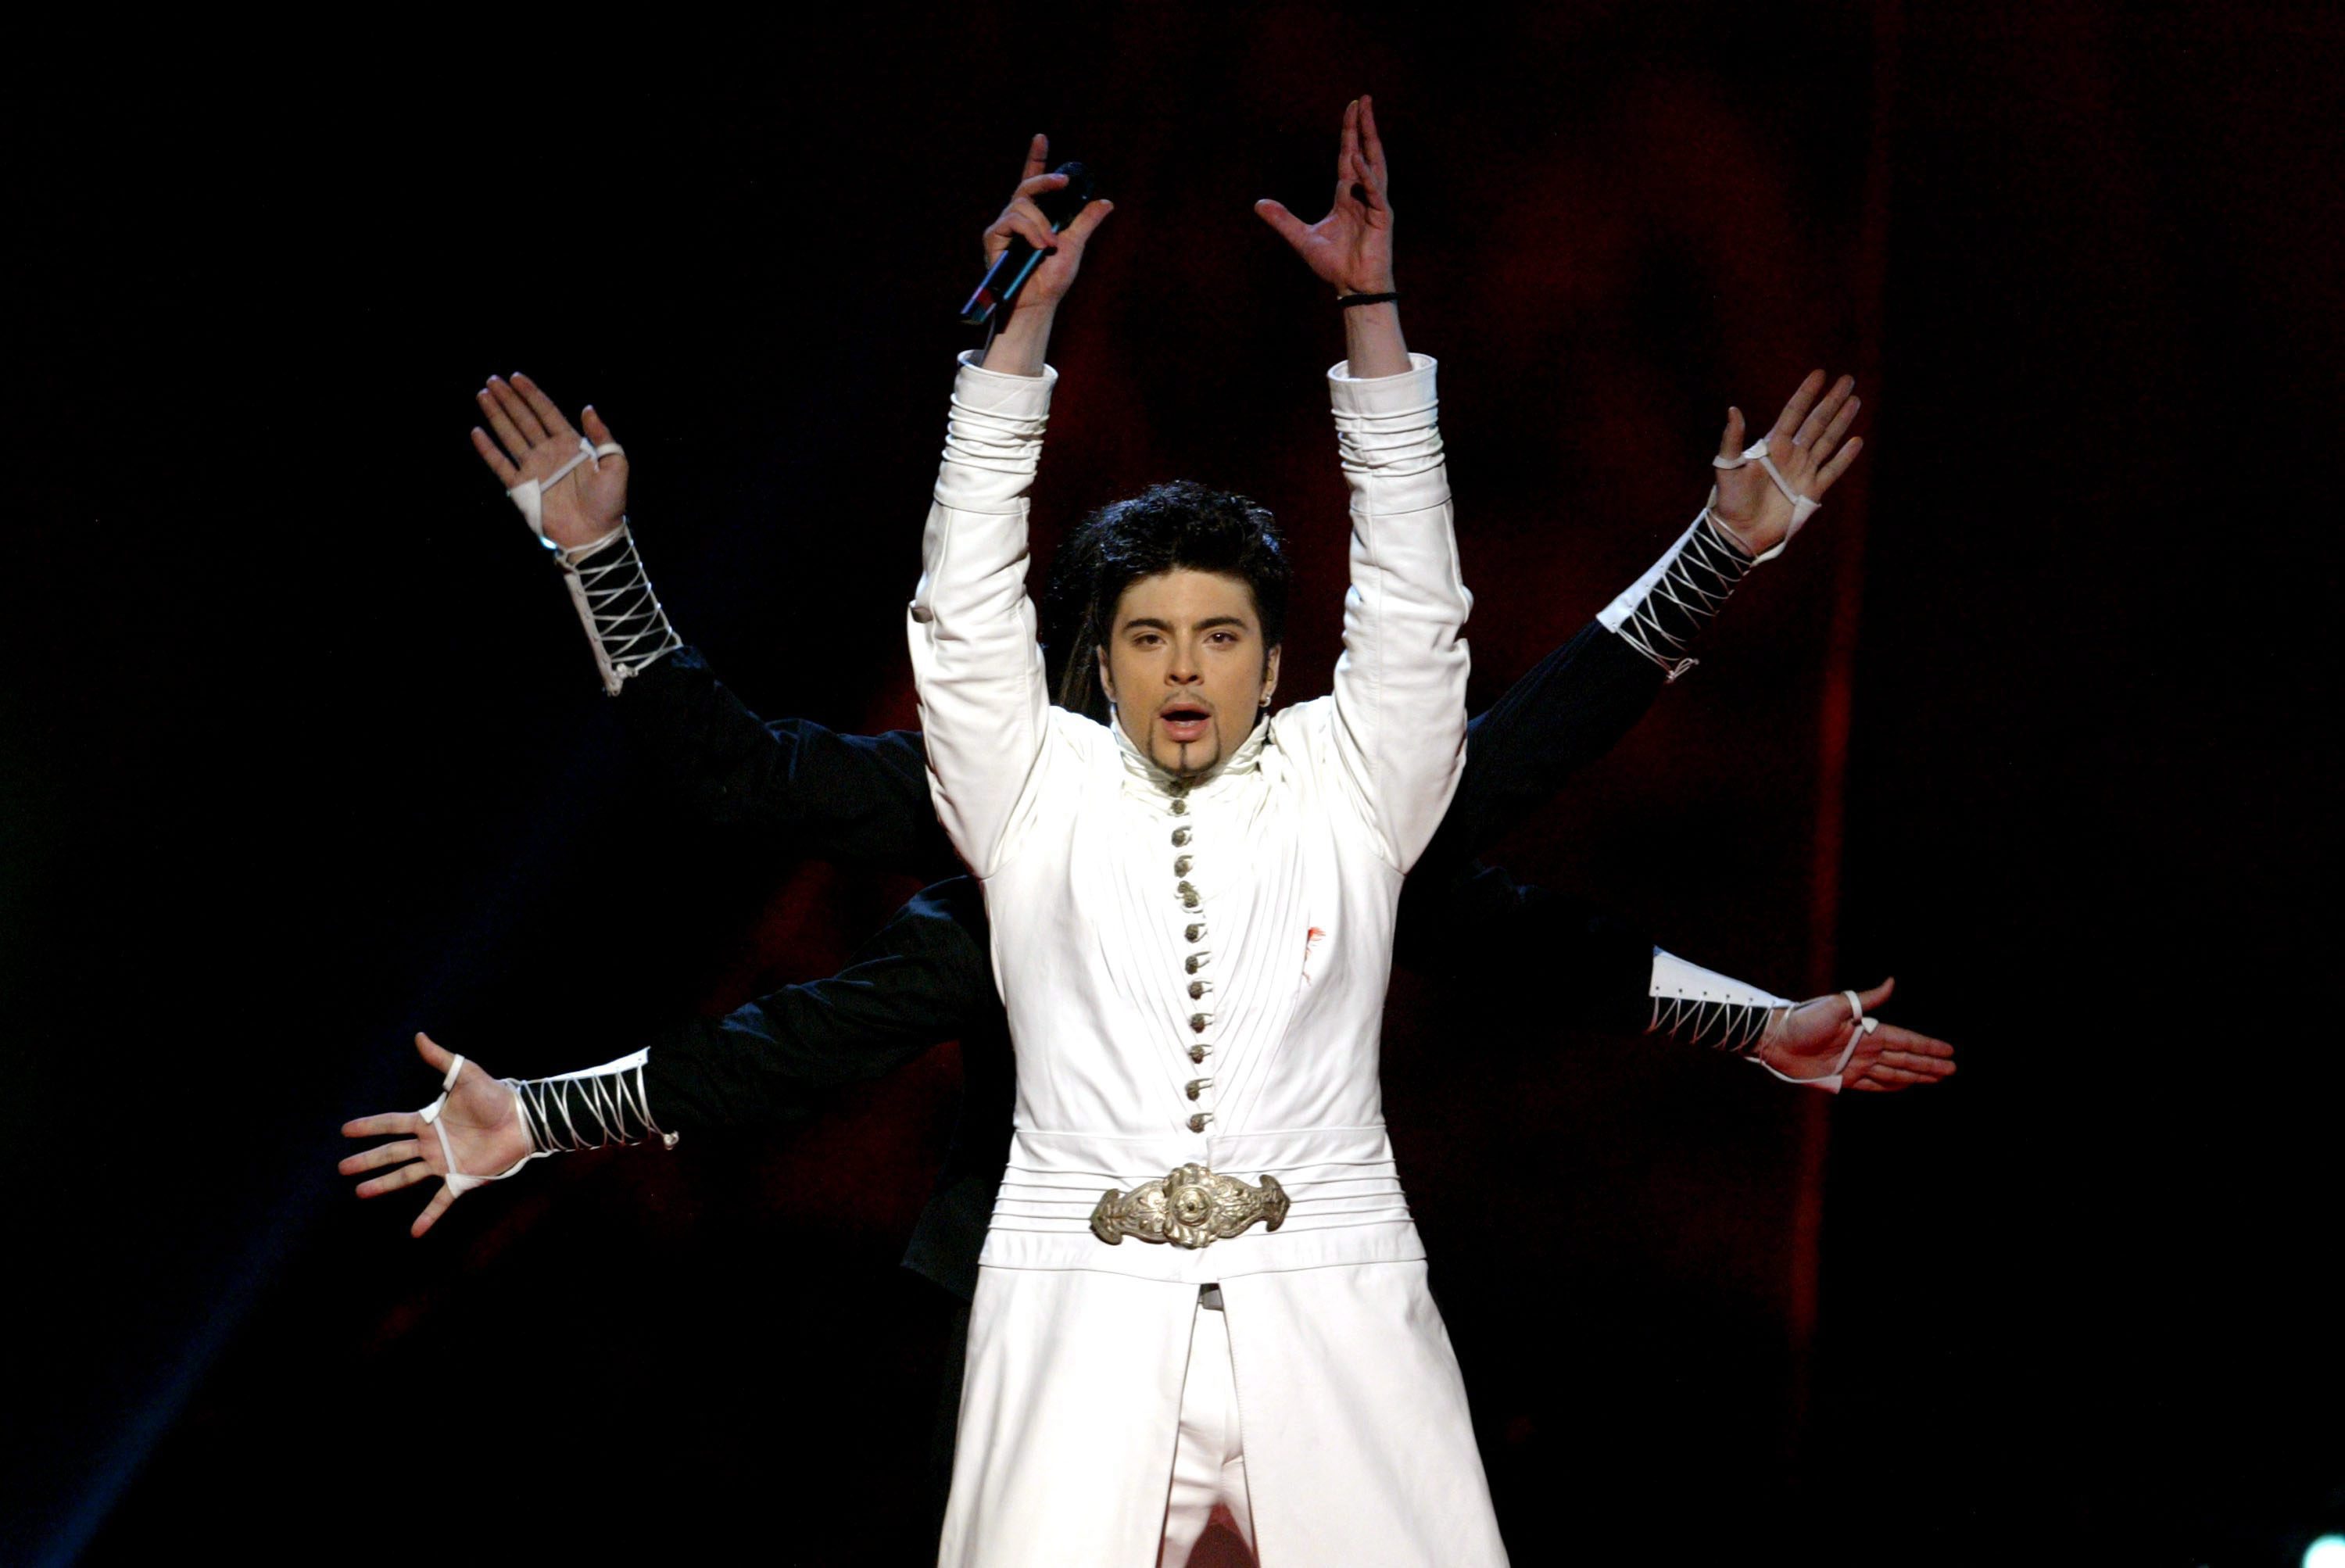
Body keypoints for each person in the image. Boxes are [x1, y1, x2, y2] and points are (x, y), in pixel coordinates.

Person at [342, 101, 1953, 1563]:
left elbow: (1468, 696)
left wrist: (1387, 328)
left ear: (1277, 657)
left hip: (1331, 1294)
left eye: (1222, 639)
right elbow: (791, 928)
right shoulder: (1016, 799)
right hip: (1072, 1304)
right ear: (1096, 664)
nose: (1186, 673)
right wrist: (1009, 339)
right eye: (1149, 640)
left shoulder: (1349, 796)